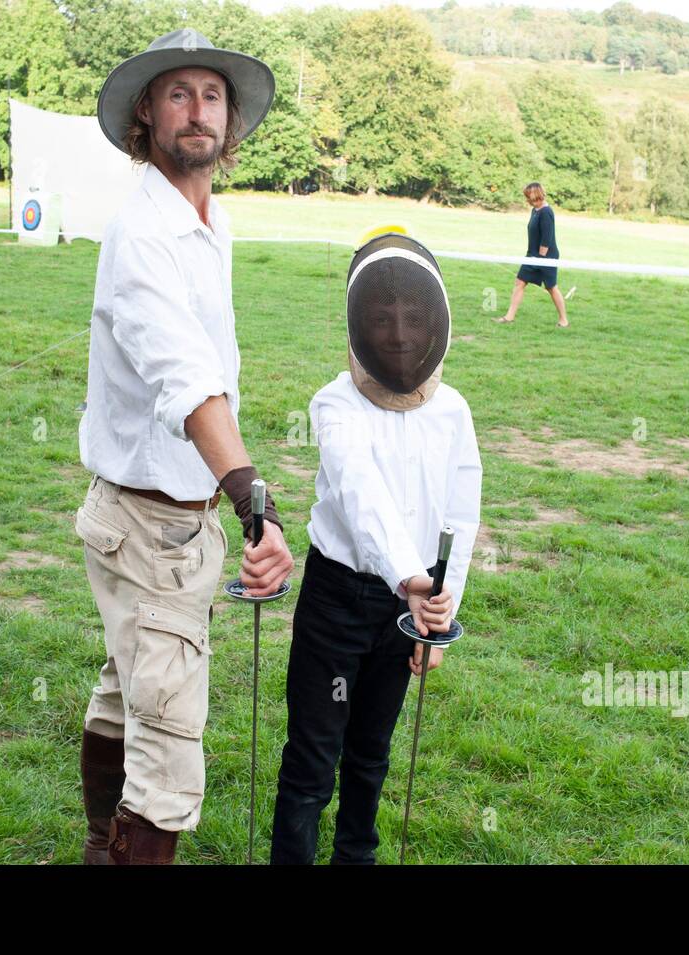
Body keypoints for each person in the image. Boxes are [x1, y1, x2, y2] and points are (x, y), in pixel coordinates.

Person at [77, 28, 293, 865]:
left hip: (167, 517)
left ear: (230, 120)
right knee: (168, 760)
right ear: (147, 114)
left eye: (212, 95)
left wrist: (229, 495)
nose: (197, 110)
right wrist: (254, 498)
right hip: (149, 524)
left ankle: (101, 845)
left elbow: (207, 368)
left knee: (126, 698)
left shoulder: (211, 220)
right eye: (178, 94)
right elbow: (187, 380)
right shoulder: (144, 235)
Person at [270, 227, 482, 865]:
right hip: (338, 602)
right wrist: (411, 582)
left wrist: (438, 611)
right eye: (381, 317)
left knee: (371, 758)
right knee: (312, 760)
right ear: (358, 321)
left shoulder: (454, 413)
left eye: (412, 317)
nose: (396, 333)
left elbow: (460, 516)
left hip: (407, 616)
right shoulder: (333, 405)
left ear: (435, 322)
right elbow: (362, 499)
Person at [497, 181, 568, 328]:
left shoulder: (546, 212)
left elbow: (546, 238)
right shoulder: (535, 211)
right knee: (519, 282)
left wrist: (540, 260)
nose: (527, 200)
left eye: (528, 196)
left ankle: (563, 320)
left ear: (535, 195)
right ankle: (509, 317)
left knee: (551, 287)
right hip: (532, 255)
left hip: (546, 257)